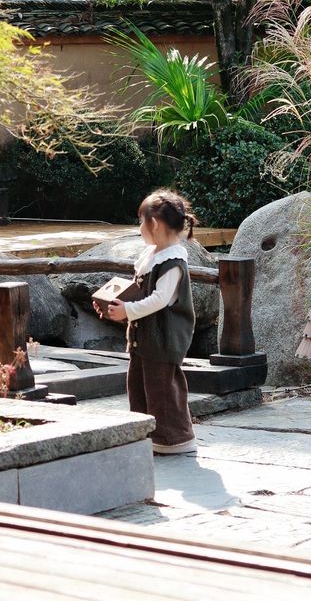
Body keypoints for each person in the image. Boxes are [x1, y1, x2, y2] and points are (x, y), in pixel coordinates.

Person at [94, 189, 197, 455]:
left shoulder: (173, 261)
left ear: (154, 224)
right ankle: (144, 434)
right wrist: (113, 304)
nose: (140, 227)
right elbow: (141, 291)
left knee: (163, 390)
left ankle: (175, 439)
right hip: (145, 339)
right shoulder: (153, 256)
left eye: (142, 221)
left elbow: (160, 299)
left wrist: (127, 310)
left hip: (163, 339)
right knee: (140, 385)